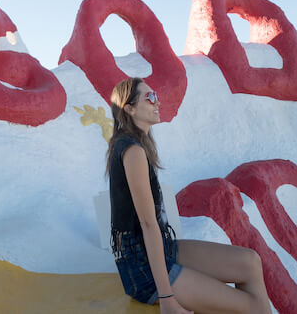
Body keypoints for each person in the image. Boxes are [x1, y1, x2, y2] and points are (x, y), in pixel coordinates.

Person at [107, 77, 272, 313]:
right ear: (130, 108)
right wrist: (167, 298)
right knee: (251, 305)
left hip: (161, 247)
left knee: (250, 262)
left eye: (157, 96)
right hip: (142, 269)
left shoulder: (137, 144)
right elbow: (147, 224)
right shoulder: (132, 151)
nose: (157, 102)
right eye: (150, 97)